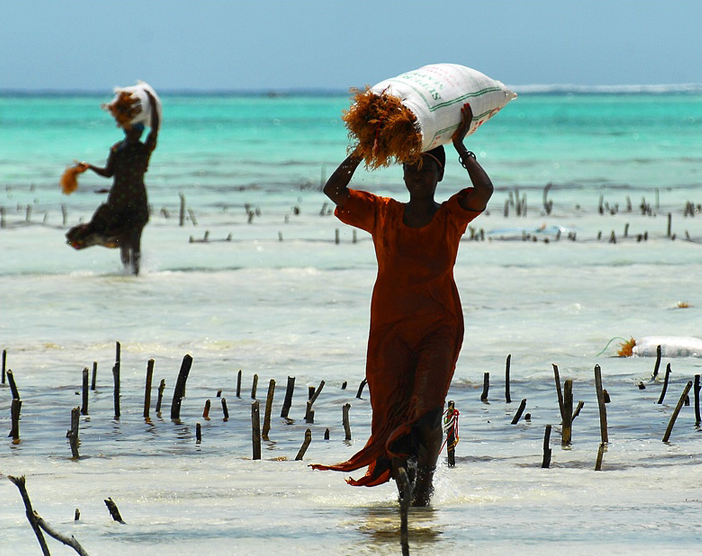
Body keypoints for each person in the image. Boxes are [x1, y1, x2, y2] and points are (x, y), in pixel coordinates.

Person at [312, 103, 493, 506]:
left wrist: (462, 146)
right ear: (403, 173)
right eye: (412, 167)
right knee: (392, 419)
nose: (419, 174)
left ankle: (424, 490)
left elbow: (483, 192)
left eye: (428, 168)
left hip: (438, 327)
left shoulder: (450, 216)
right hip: (390, 333)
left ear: (440, 174)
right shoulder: (383, 214)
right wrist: (365, 149)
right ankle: (405, 496)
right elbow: (334, 191)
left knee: (427, 413)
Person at [66, 90, 160, 275]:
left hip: (136, 200)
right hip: (119, 201)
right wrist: (90, 167)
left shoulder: (144, 149)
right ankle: (128, 274)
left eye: (140, 131)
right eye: (135, 130)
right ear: (127, 129)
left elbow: (155, 129)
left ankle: (134, 275)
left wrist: (153, 103)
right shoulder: (117, 149)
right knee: (124, 241)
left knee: (135, 239)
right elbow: (109, 173)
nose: (138, 134)